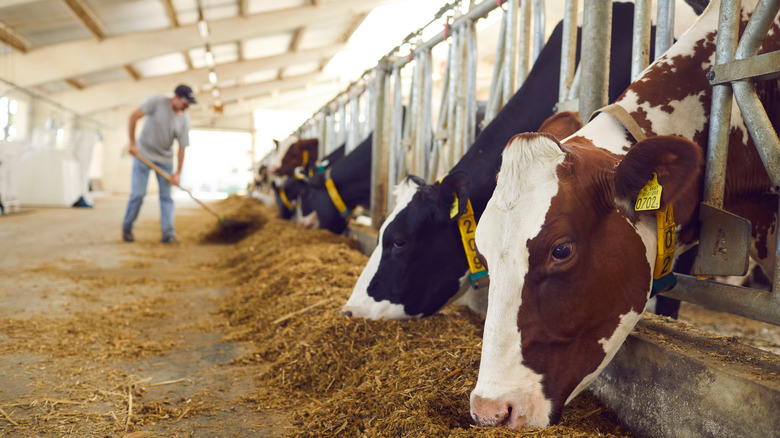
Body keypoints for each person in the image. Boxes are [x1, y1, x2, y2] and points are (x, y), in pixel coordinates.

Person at [121, 84, 196, 243]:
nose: (186, 107)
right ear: (175, 97)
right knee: (138, 194)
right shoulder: (157, 102)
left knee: (166, 197)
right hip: (144, 155)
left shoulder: (184, 119)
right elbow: (133, 116)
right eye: (185, 103)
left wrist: (177, 173)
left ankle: (168, 234)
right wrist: (132, 143)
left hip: (165, 161)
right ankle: (127, 228)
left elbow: (182, 147)